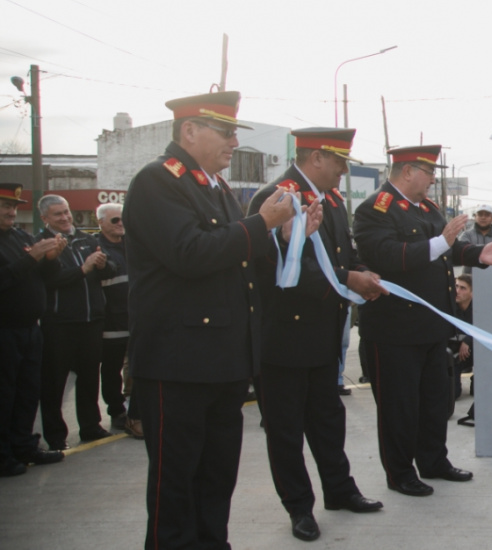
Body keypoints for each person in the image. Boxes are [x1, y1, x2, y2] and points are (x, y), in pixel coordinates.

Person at [124, 90, 297, 549]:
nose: (234, 142)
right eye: (225, 131)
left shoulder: (212, 186)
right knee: (175, 483)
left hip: (222, 359)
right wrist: (260, 224)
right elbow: (189, 253)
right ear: (189, 131)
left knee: (216, 476)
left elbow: (236, 262)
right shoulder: (158, 180)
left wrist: (280, 237)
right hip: (177, 360)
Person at [248, 128, 388, 542]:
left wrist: (360, 270)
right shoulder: (278, 198)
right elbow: (281, 269)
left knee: (328, 420)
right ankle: (299, 507)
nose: (344, 170)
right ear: (315, 160)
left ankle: (339, 490)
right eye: (339, 162)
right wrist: (350, 278)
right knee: (286, 429)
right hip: (285, 337)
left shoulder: (329, 200)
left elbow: (340, 250)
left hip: (323, 332)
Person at [353, 144, 492, 498]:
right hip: (395, 329)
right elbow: (388, 256)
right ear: (408, 171)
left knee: (434, 401)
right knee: (399, 407)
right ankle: (399, 472)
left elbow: (448, 249)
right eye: (429, 172)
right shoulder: (376, 209)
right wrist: (443, 241)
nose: (432, 179)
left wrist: (477, 254)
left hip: (432, 325)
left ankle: (433, 460)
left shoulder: (426, 207)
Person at [37, 194, 116, 449]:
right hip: (60, 323)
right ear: (45, 218)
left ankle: (91, 426)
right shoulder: (40, 243)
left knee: (90, 376)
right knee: (54, 381)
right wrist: (83, 269)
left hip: (91, 319)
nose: (65, 217)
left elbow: (108, 270)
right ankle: (55, 436)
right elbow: (49, 280)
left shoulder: (86, 238)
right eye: (58, 214)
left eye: (66, 211)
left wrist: (103, 265)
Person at [0, 182, 66, 477]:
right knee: (5, 394)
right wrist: (32, 257)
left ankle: (24, 446)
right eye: (4, 206)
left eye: (13, 206)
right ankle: (3, 455)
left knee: (28, 392)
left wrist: (50, 259)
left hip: (29, 329)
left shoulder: (19, 236)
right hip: (5, 329)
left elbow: (46, 276)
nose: (11, 212)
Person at [95, 202, 131, 435]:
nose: (120, 225)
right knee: (111, 369)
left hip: (136, 317)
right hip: (111, 320)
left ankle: (136, 410)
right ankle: (116, 411)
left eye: (122, 219)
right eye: (114, 220)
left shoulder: (132, 244)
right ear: (100, 223)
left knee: (139, 368)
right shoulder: (95, 247)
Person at [450, 274, 475, 427]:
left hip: (475, 353)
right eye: (456, 287)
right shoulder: (450, 307)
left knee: (477, 392)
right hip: (456, 354)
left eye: (463, 288)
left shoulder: (479, 309)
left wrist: (468, 340)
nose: (457, 291)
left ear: (472, 293)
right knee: (454, 394)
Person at [459, 206, 492, 274]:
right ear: (475, 217)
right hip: (469, 277)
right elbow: (462, 254)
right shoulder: (466, 235)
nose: (483, 217)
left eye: (487, 215)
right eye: (480, 215)